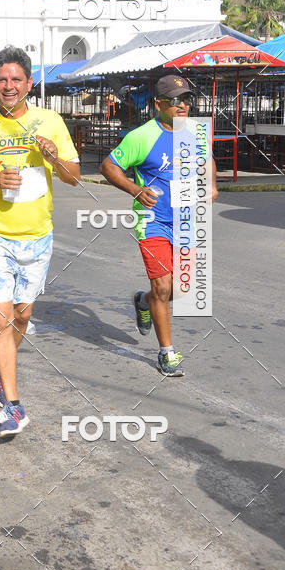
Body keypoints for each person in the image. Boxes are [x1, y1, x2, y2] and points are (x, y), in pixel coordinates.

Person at [0, 45, 80, 436]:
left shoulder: (50, 120)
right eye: (2, 79)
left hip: (37, 235)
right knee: (1, 316)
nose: (9, 86)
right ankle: (13, 404)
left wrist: (54, 157)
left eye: (16, 79)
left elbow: (74, 176)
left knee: (22, 315)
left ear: (29, 83)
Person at [100, 75, 218, 377]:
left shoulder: (195, 132)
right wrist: (135, 190)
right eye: (175, 100)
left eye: (187, 99)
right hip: (153, 222)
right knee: (164, 287)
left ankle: (144, 300)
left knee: (181, 288)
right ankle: (167, 353)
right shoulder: (141, 136)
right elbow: (109, 166)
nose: (183, 105)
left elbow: (207, 161)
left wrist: (211, 185)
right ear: (158, 104)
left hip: (187, 222)